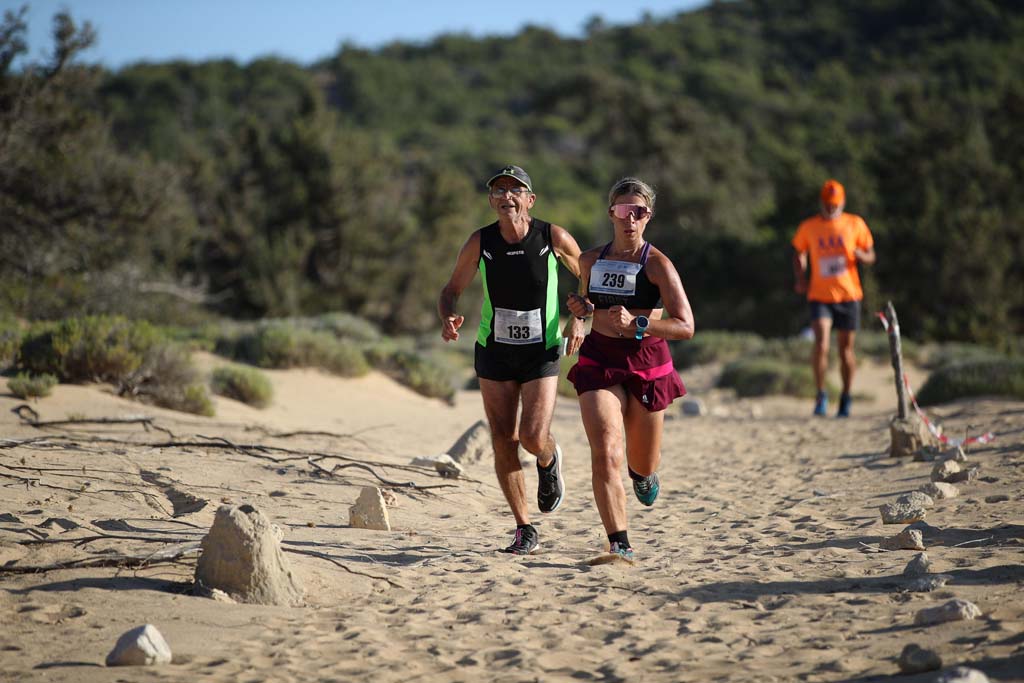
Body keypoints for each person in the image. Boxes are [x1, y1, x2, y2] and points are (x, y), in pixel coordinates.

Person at [439, 164, 585, 555]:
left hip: (542, 350)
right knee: (504, 441)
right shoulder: (481, 241)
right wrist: (448, 315)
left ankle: (549, 458)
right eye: (499, 191)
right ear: (491, 201)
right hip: (495, 350)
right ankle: (524, 528)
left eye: (515, 190)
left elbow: (587, 273)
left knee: (533, 436)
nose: (506, 196)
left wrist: (580, 318)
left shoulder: (551, 236)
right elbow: (451, 288)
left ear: (529, 200)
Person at [565, 177, 694, 561]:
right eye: (623, 210)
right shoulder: (589, 260)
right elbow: (586, 303)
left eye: (638, 212)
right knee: (605, 451)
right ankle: (619, 540)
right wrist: (579, 315)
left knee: (641, 463)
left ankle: (643, 476)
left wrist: (639, 324)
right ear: (611, 214)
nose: (630, 218)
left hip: (647, 364)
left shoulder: (658, 265)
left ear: (647, 217)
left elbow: (685, 325)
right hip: (600, 359)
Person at [791, 179, 876, 418]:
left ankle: (846, 396)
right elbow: (799, 252)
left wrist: (861, 254)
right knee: (821, 345)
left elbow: (871, 254)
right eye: (828, 205)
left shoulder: (854, 223)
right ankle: (821, 395)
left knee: (845, 351)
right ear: (822, 202)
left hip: (849, 295)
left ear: (843, 202)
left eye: (835, 205)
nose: (831, 209)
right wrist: (800, 274)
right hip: (819, 295)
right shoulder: (809, 227)